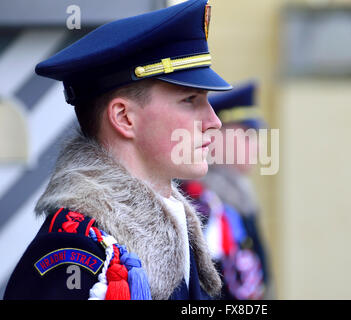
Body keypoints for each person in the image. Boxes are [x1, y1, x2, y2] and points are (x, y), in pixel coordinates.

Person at [4, 0, 233, 300]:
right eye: (190, 99)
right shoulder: (75, 254)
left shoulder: (173, 226)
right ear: (124, 118)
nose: (213, 121)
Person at [180, 81, 271, 300]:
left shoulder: (237, 196)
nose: (257, 147)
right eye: (247, 135)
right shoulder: (200, 201)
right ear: (216, 138)